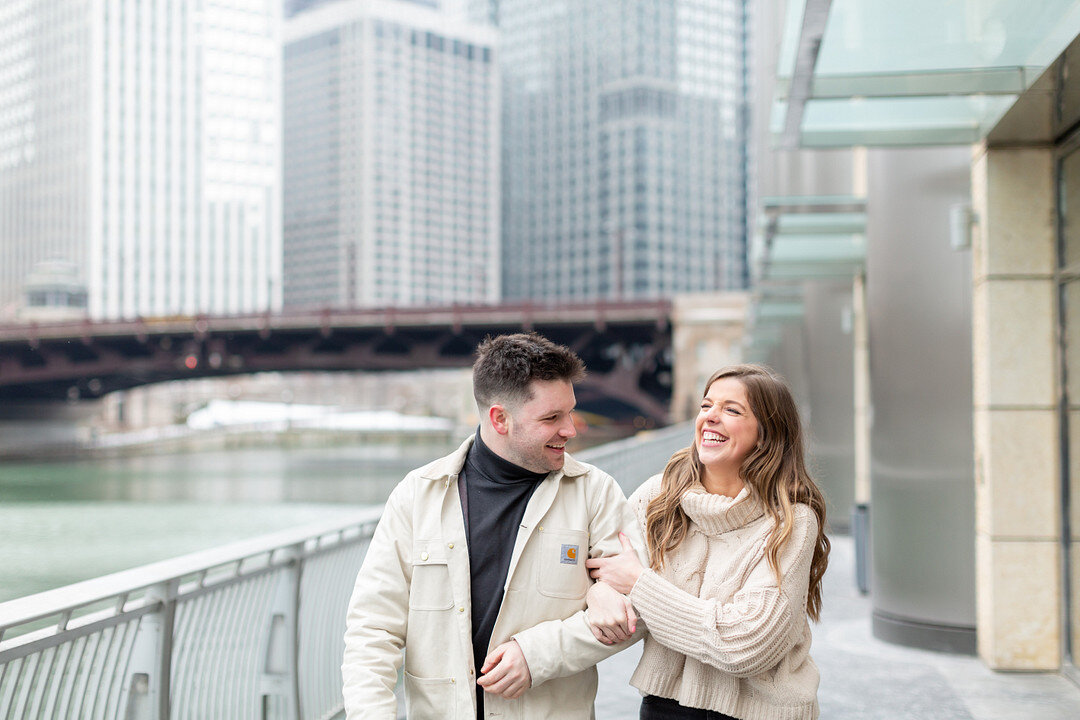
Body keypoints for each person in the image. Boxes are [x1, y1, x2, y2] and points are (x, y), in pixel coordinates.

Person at [342, 332, 645, 720]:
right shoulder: (417, 496)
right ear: (500, 418)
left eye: (570, 411)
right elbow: (373, 631)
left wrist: (537, 656)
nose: (571, 428)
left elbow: (636, 611)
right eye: (552, 417)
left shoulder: (596, 493)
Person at [584, 363, 830, 720]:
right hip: (665, 705)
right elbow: (600, 569)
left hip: (761, 712)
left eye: (731, 410)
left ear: (765, 433)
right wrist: (599, 592)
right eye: (706, 406)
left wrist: (639, 583)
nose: (710, 417)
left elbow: (746, 646)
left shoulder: (790, 521)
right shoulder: (658, 498)